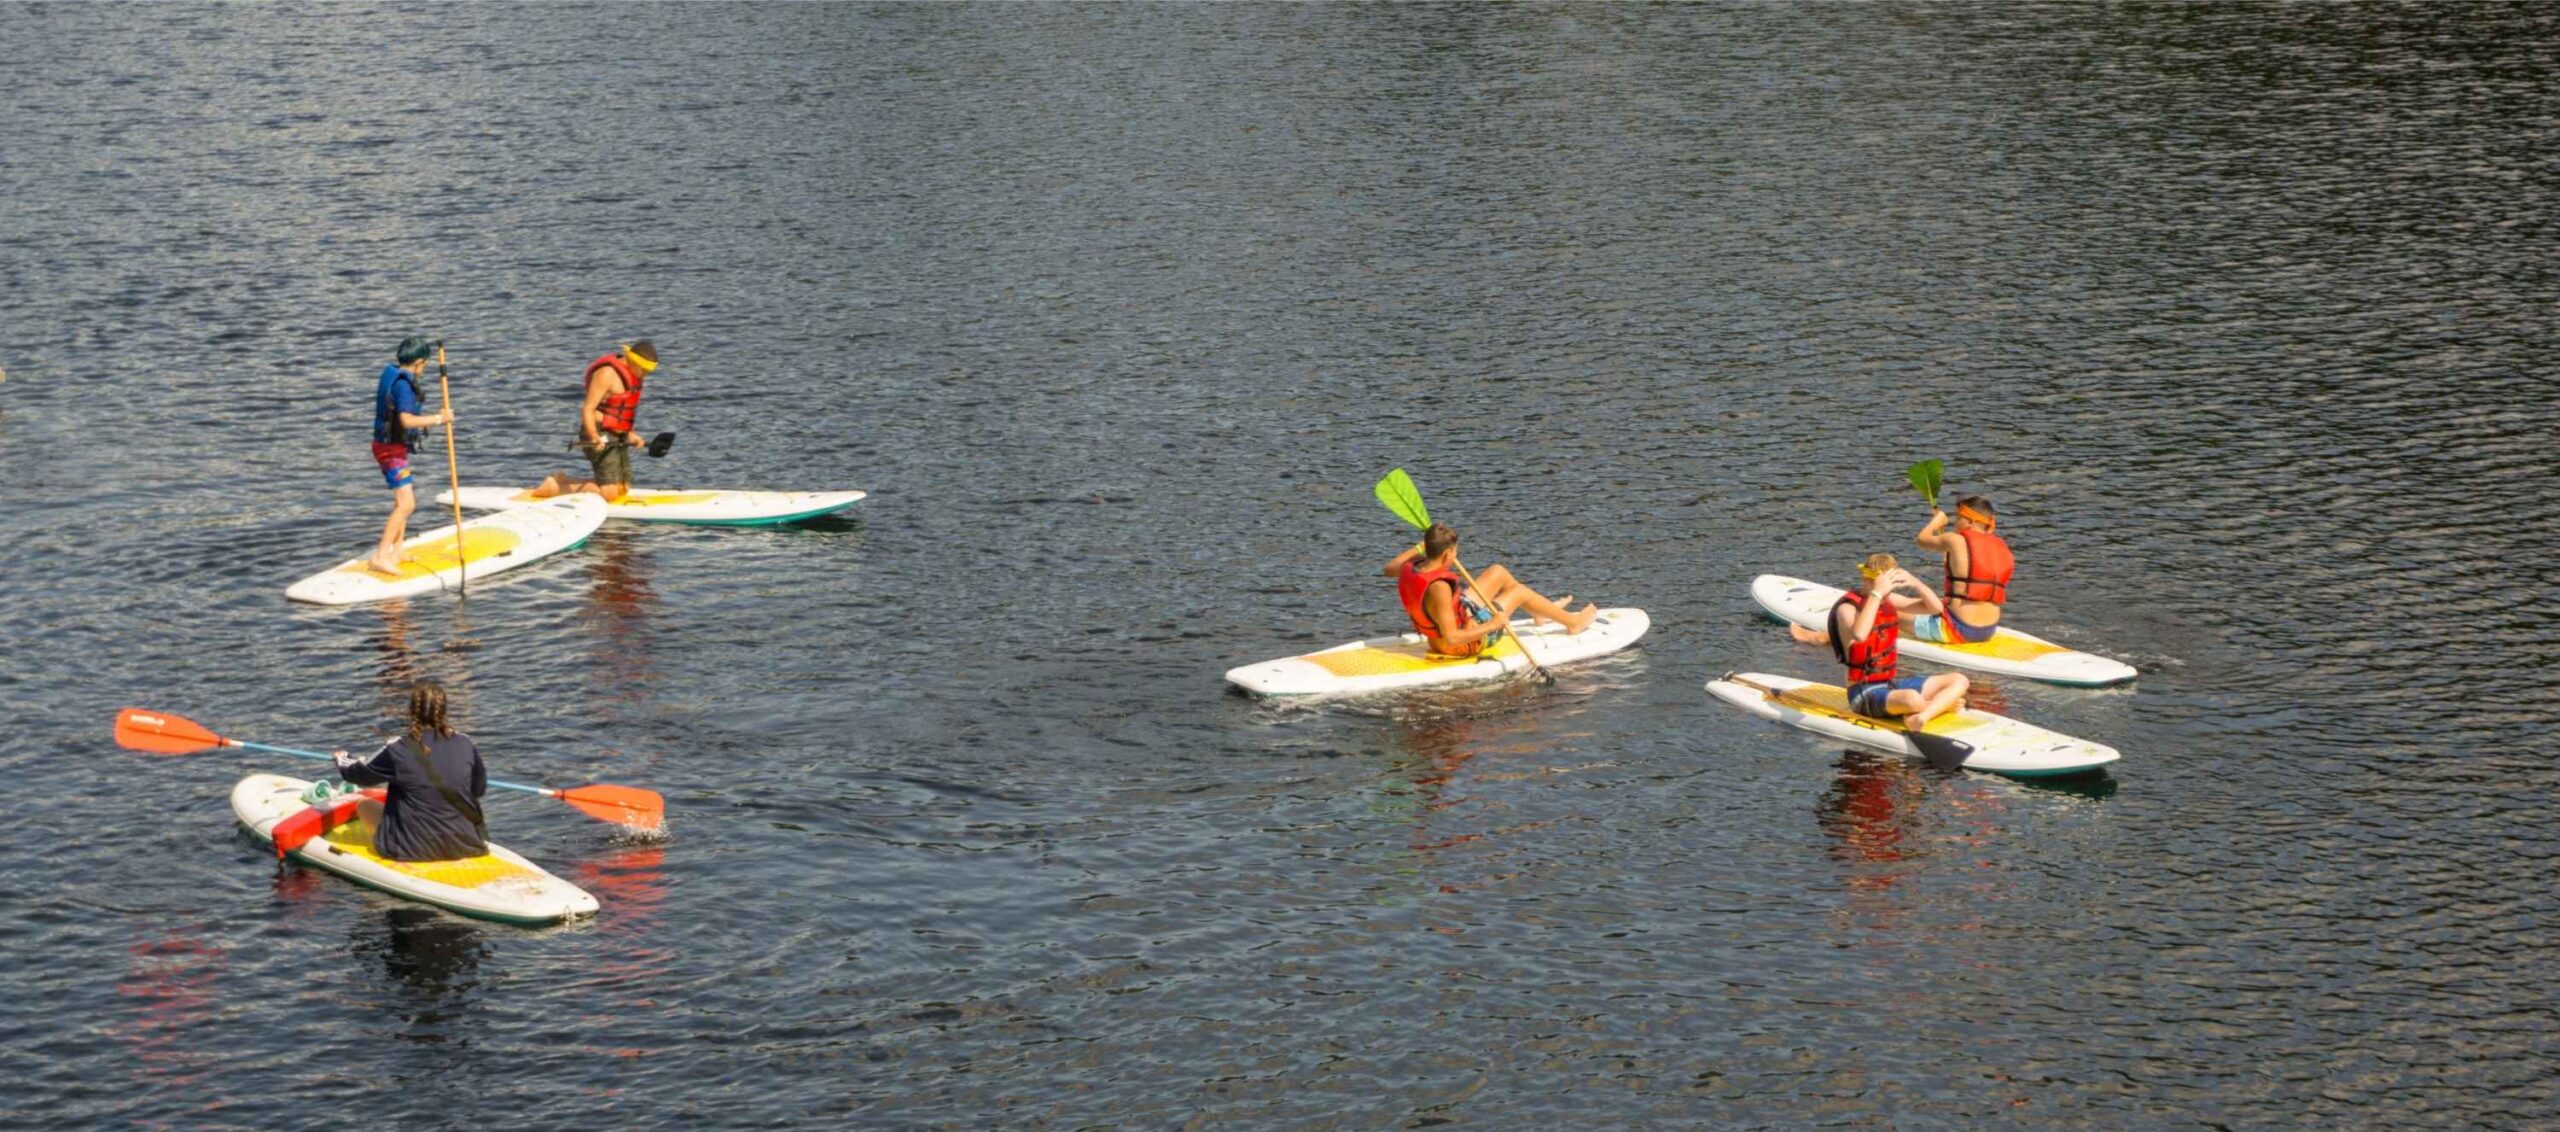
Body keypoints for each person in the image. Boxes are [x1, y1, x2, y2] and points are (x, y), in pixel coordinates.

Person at [1384, 523, 1597, 658]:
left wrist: (1422, 546)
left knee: (1498, 571)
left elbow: (1388, 569)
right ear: (1447, 554)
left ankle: (1539, 612)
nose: (1455, 557)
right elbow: (1452, 638)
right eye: (1455, 553)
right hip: (1461, 645)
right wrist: (1493, 625)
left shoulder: (1410, 566)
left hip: (1455, 620)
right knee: (1519, 592)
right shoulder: (1439, 588)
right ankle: (1573, 623)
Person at [331, 682, 489, 862]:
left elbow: (357, 775)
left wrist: (341, 757)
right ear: (444, 711)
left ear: (412, 711)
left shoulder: (397, 747)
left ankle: (399, 842)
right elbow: (478, 790)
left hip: (412, 851)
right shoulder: (466, 743)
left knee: (364, 805)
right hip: (467, 846)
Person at [1827, 554, 1968, 731]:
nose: (1887, 593)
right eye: (1884, 586)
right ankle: (1938, 706)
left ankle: (1921, 717)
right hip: (1862, 693)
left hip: (1890, 685)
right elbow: (1860, 634)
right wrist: (1876, 593)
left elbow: (1935, 609)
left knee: (1959, 680)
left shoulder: (1889, 599)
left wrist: (1916, 583)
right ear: (1865, 578)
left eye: (1889, 587)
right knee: (1912, 699)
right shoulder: (1847, 608)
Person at [368, 338, 454, 576]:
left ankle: (397, 550)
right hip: (389, 451)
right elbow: (407, 420)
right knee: (407, 504)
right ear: (418, 363)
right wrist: (440, 419)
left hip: (392, 448)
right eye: (425, 365)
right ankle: (380, 556)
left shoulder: (396, 376)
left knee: (401, 503)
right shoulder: (403, 387)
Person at [534, 340, 657, 503]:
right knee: (609, 493)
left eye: (649, 371)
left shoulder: (633, 376)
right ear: (632, 360)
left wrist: (631, 435)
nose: (645, 375)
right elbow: (588, 409)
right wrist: (593, 435)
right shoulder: (607, 374)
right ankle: (553, 489)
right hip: (598, 433)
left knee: (623, 488)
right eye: (644, 370)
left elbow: (618, 413)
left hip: (617, 435)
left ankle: (562, 481)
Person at [1908, 495, 2013, 644]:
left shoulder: (1954, 540)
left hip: (1957, 629)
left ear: (1970, 521)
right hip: (1988, 630)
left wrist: (1936, 522)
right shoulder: (2002, 546)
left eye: (1958, 518)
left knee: (1887, 614)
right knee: (1911, 603)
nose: (1955, 522)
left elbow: (1922, 539)